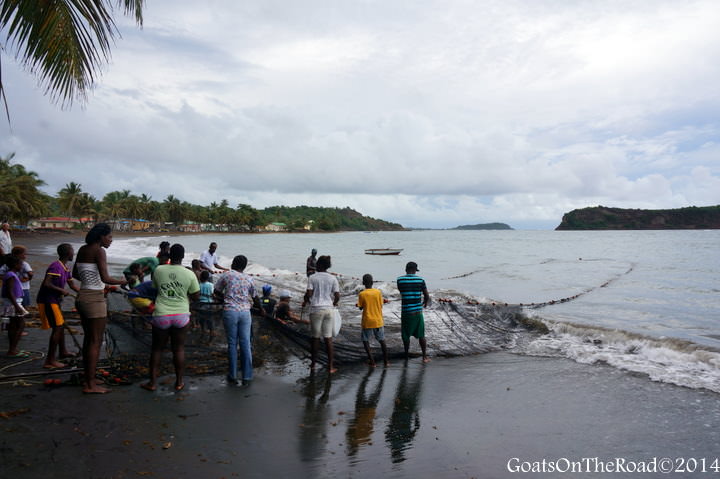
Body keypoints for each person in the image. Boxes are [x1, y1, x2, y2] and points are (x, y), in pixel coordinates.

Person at [73, 223, 127, 394]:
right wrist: (124, 282)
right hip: (94, 299)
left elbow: (75, 274)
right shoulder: (99, 251)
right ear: (100, 237)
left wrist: (91, 279)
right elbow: (106, 277)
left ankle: (90, 378)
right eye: (109, 237)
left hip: (82, 297)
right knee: (95, 342)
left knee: (89, 340)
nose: (111, 240)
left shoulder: (83, 249)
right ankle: (90, 385)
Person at [141, 244, 200, 392]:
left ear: (169, 255)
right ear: (183, 256)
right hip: (181, 315)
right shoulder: (189, 273)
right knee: (179, 349)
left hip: (161, 314)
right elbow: (196, 296)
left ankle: (152, 383)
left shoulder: (159, 270)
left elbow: (155, 288)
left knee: (156, 350)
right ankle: (179, 382)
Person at [215, 255, 263, 385]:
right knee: (245, 343)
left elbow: (216, 291)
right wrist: (262, 310)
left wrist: (225, 297)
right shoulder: (249, 278)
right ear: (244, 266)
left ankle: (233, 375)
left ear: (233, 263)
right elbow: (255, 297)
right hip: (245, 313)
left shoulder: (227, 275)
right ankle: (247, 376)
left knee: (232, 343)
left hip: (230, 311)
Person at [37, 243, 80, 368]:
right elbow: (46, 283)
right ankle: (49, 360)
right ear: (68, 253)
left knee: (60, 326)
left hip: (55, 300)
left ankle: (63, 352)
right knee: (58, 327)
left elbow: (72, 285)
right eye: (72, 251)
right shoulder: (56, 266)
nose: (74, 254)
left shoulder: (65, 268)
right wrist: (61, 291)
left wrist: (84, 294)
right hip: (48, 300)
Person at [302, 255, 340, 373]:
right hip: (328, 310)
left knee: (315, 338)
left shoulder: (313, 277)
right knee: (328, 338)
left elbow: (309, 294)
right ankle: (330, 367)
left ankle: (313, 364)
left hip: (316, 310)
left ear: (320, 265)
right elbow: (337, 296)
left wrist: (307, 300)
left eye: (317, 264)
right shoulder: (333, 278)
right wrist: (333, 304)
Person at [396, 261, 431, 362]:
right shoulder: (420, 280)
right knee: (421, 335)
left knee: (406, 335)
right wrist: (424, 303)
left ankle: (406, 355)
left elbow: (402, 292)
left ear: (406, 270)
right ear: (415, 270)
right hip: (417, 313)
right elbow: (426, 295)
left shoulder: (400, 280)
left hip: (406, 312)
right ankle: (424, 357)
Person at [357, 273, 389, 368]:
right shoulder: (378, 292)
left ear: (363, 283)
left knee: (366, 340)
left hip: (367, 321)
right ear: (372, 282)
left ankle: (372, 362)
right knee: (382, 341)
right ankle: (386, 361)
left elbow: (360, 307)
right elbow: (381, 305)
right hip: (378, 320)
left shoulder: (362, 294)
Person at [2, 255, 29, 357]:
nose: (22, 266)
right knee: (20, 325)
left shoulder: (11, 274)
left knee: (13, 326)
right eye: (20, 264)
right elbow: (9, 292)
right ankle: (12, 349)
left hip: (11, 303)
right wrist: (17, 306)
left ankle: (12, 349)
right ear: (15, 265)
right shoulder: (11, 276)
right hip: (13, 304)